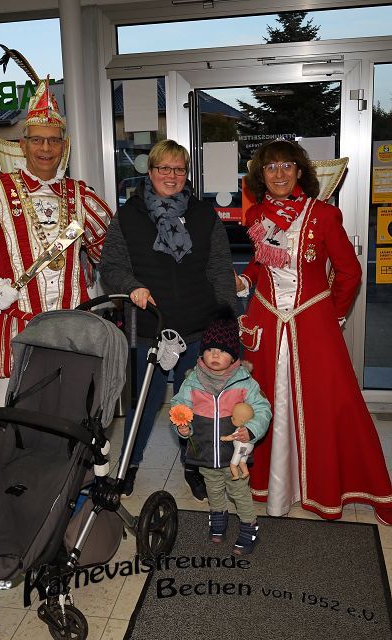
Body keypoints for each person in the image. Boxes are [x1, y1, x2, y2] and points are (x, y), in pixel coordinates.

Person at [235, 139, 392, 525]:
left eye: (287, 166)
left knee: (331, 404)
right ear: (261, 175)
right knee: (264, 402)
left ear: (300, 171)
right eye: (271, 167)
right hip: (267, 320)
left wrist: (332, 315)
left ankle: (330, 487)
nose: (279, 174)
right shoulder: (256, 214)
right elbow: (261, 262)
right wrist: (245, 279)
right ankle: (271, 485)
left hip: (312, 322)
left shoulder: (323, 215)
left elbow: (350, 272)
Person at [0, 78, 113, 406]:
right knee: (16, 414)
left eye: (53, 140)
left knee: (70, 411)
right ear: (23, 145)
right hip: (15, 328)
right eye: (37, 140)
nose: (45, 149)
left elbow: (109, 251)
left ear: (64, 145)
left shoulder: (82, 196)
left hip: (72, 330)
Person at [99, 139, 238, 500]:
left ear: (186, 174)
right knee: (143, 405)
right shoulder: (128, 216)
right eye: (164, 168)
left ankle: (194, 467)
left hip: (199, 328)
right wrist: (132, 286)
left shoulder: (203, 214)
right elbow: (110, 266)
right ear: (150, 172)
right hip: (149, 327)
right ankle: (129, 465)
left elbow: (220, 268)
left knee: (194, 405)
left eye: (179, 169)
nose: (171, 176)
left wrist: (226, 318)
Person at [170, 306, 271, 554]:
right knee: (213, 489)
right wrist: (183, 427)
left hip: (234, 455)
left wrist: (251, 429)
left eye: (222, 351)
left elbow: (263, 409)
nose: (215, 355)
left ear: (233, 356)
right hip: (205, 451)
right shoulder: (192, 381)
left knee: (239, 491)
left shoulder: (244, 382)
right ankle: (218, 518)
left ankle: (249, 527)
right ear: (202, 352)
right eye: (210, 349)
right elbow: (179, 406)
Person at [220, 402, 255, 480]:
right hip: (247, 449)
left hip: (241, 448)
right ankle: (245, 472)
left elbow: (232, 437)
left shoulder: (240, 430)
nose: (231, 418)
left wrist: (224, 438)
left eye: (234, 418)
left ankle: (236, 475)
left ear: (242, 421)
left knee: (233, 464)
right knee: (242, 462)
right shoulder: (249, 430)